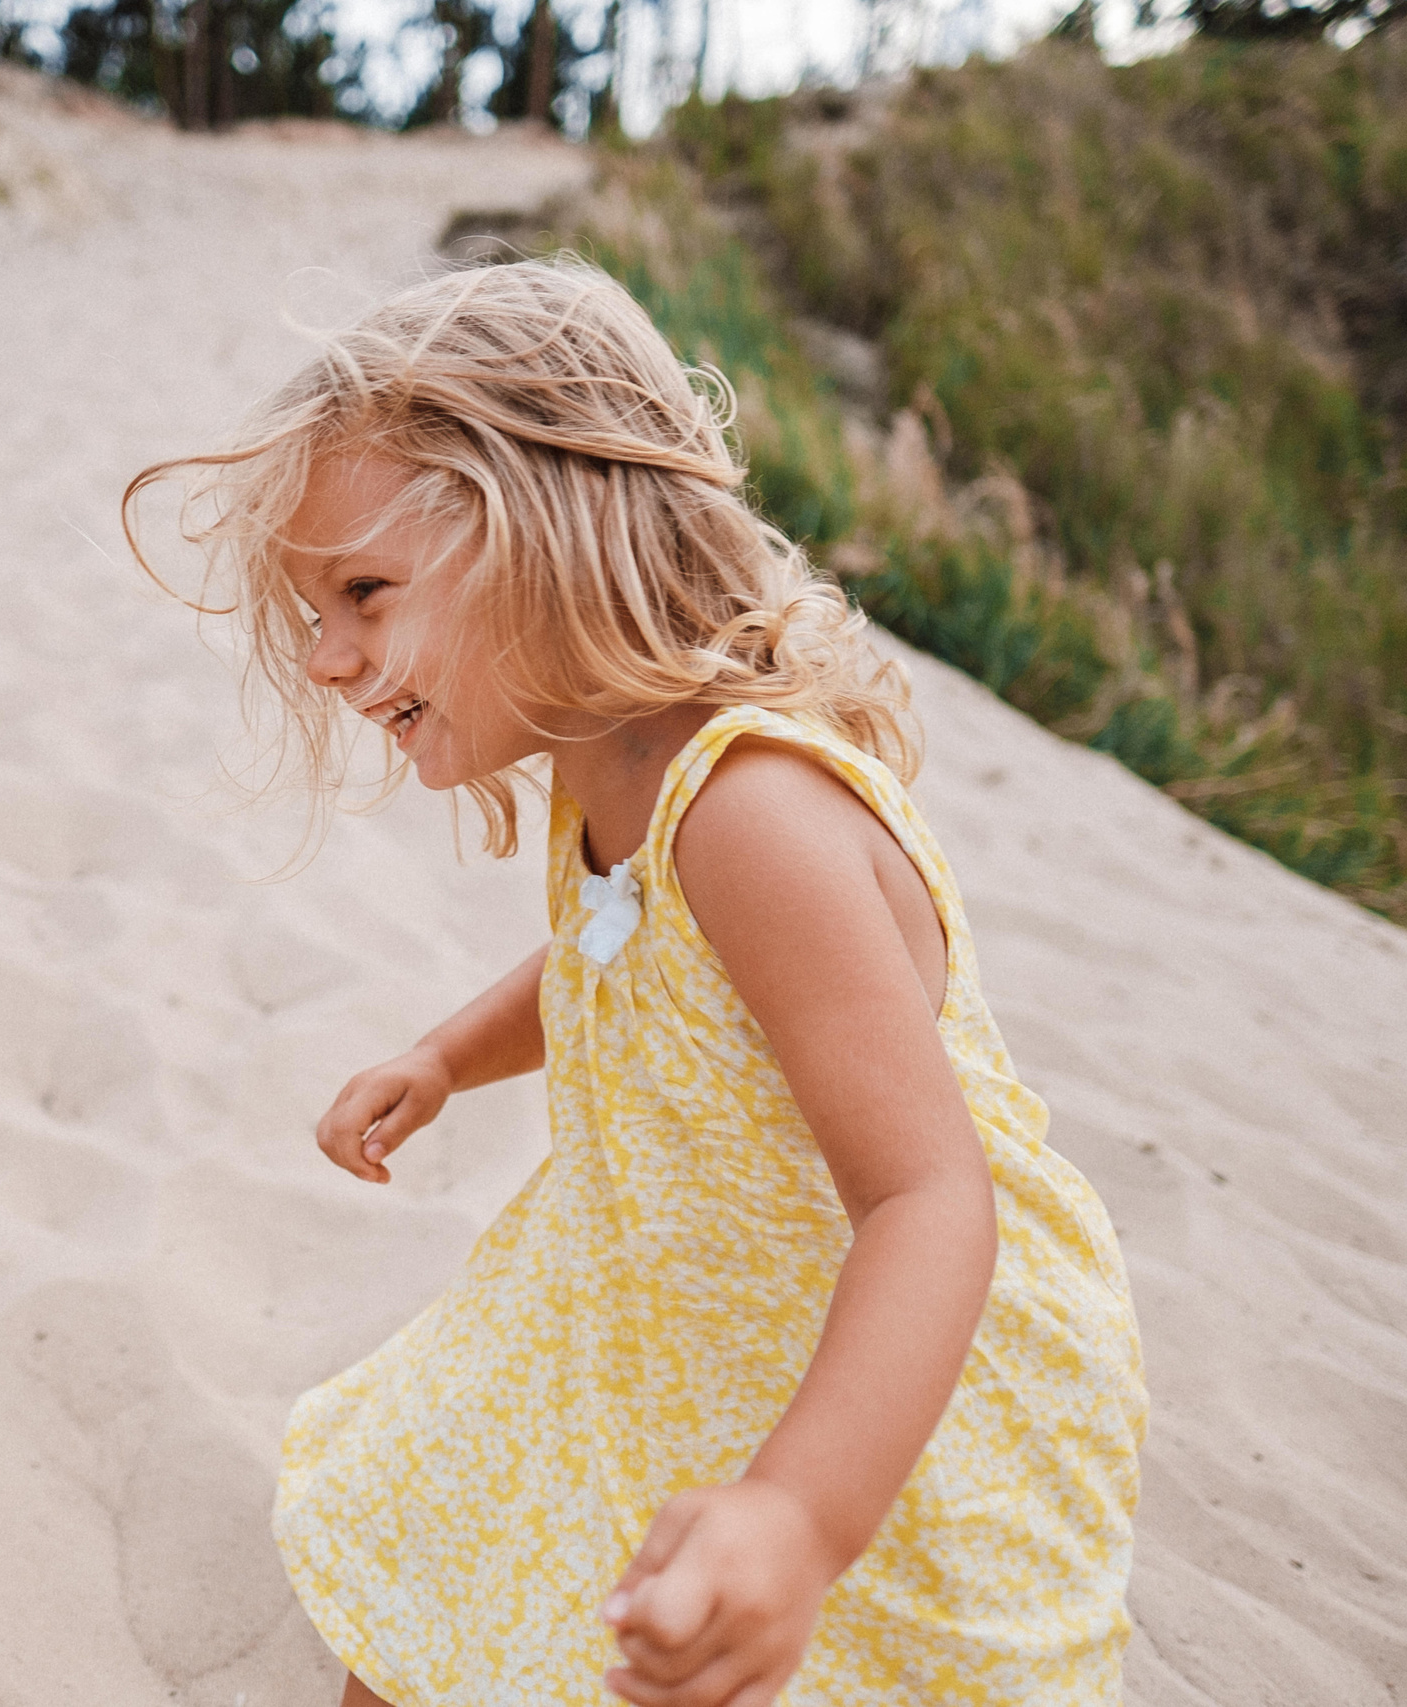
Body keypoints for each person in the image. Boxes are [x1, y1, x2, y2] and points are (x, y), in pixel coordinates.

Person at [124, 258, 1147, 1706]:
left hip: (867, 1366)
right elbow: (625, 951)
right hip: (659, 1305)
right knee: (441, 1584)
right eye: (313, 616)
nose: (335, 660)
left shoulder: (755, 817)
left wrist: (800, 1517)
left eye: (364, 591)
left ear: (553, 524)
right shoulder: (611, 770)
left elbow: (932, 1201)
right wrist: (448, 1055)